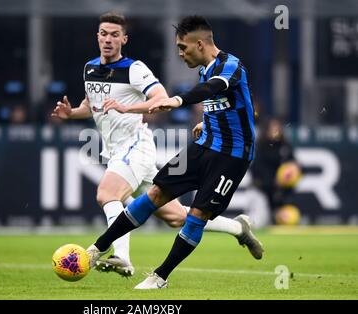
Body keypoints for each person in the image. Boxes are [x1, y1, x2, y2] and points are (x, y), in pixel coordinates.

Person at [53, 13, 262, 278]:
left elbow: (162, 97)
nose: (108, 39)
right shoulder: (90, 68)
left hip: (136, 147)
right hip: (116, 151)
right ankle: (238, 228)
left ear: (124, 39)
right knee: (175, 216)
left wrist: (130, 107)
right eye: (103, 33)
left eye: (114, 34)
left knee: (107, 193)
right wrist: (71, 113)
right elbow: (91, 106)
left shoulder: (134, 69)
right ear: (97, 36)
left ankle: (120, 257)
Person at [251, 117, 300, 224]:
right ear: (266, 130)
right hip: (262, 192)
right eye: (272, 128)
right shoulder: (261, 147)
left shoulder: (285, 147)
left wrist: (294, 169)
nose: (275, 131)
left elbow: (297, 166)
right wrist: (273, 181)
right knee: (259, 222)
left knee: (289, 217)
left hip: (282, 193)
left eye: (277, 128)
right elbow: (256, 171)